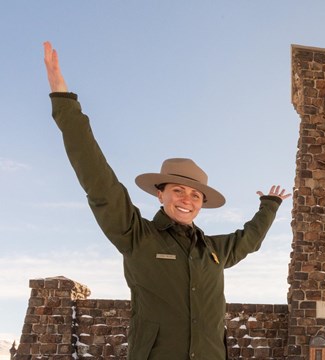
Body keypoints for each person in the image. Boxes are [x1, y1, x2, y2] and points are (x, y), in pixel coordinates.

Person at [43, 41, 291, 360]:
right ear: (160, 194)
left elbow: (249, 240)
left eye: (195, 194)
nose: (187, 200)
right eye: (178, 190)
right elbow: (99, 182)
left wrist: (269, 206)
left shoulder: (213, 252)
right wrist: (64, 102)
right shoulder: (137, 237)